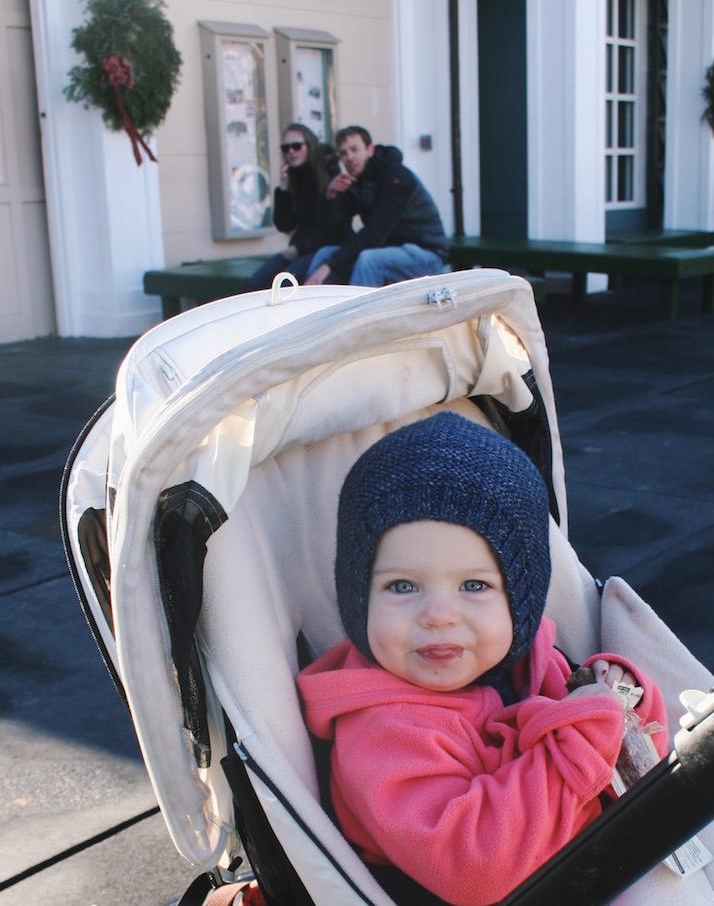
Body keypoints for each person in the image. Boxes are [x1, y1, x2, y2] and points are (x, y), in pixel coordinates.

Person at [297, 412, 668, 906]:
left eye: (474, 586)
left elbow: (642, 761)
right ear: (358, 598)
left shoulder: (523, 661)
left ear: (520, 600)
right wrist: (583, 735)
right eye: (402, 586)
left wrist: (623, 699)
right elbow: (479, 871)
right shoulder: (382, 732)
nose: (438, 615)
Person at [303, 126, 449, 287]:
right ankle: (315, 309)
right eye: (343, 153)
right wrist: (331, 196)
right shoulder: (355, 181)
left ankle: (359, 313)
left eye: (354, 149)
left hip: (426, 255)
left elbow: (374, 234)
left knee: (369, 261)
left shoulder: (396, 176)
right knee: (325, 253)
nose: (349, 157)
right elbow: (333, 230)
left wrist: (329, 265)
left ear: (370, 149)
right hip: (386, 249)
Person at [248, 124, 347, 289]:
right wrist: (284, 188)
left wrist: (301, 248)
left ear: (309, 146)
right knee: (255, 283)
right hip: (300, 248)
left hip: (326, 247)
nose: (291, 152)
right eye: (286, 148)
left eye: (296, 146)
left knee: (285, 285)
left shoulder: (328, 174)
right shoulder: (294, 176)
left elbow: (332, 227)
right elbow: (284, 224)